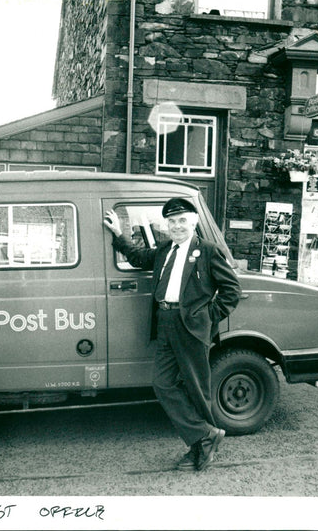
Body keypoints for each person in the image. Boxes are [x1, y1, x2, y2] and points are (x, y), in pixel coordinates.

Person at [103, 198, 241, 471]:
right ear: (167, 224)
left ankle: (199, 449)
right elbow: (138, 257)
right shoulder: (165, 249)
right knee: (163, 384)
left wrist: (206, 317)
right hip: (165, 322)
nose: (177, 226)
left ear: (194, 222)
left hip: (190, 326)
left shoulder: (209, 251)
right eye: (172, 221)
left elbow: (231, 291)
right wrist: (119, 234)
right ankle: (204, 436)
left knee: (197, 389)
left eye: (182, 220)